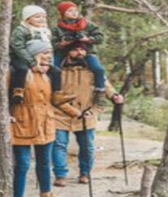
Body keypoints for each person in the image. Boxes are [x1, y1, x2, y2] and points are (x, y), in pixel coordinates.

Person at [10, 38, 79, 197]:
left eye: (50, 53)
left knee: (44, 163)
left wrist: (77, 114)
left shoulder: (48, 74)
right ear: (33, 55)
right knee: (23, 164)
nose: (49, 56)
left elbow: (54, 101)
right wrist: (3, 116)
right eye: (45, 53)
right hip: (22, 123)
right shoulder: (17, 72)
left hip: (45, 124)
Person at [52, 44, 123, 187]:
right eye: (76, 49)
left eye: (82, 50)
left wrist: (114, 95)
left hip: (87, 113)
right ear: (68, 52)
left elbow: (105, 85)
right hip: (60, 112)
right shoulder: (57, 69)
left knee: (87, 146)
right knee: (59, 145)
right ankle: (60, 175)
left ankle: (85, 173)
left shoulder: (93, 70)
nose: (79, 52)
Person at [51, 1, 107, 102]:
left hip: (86, 52)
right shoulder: (57, 28)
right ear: (63, 13)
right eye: (70, 11)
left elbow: (100, 37)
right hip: (63, 52)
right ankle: (54, 91)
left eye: (76, 10)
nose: (74, 13)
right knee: (53, 68)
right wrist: (62, 43)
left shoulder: (88, 25)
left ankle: (100, 91)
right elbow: (50, 42)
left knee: (98, 69)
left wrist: (87, 39)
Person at [10, 5, 57, 105]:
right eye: (37, 17)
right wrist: (32, 63)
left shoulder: (45, 31)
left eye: (43, 17)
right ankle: (18, 91)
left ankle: (57, 94)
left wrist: (48, 64)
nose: (41, 19)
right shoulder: (21, 30)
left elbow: (49, 47)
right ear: (28, 19)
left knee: (56, 71)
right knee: (22, 69)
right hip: (19, 57)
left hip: (41, 58)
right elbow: (19, 48)